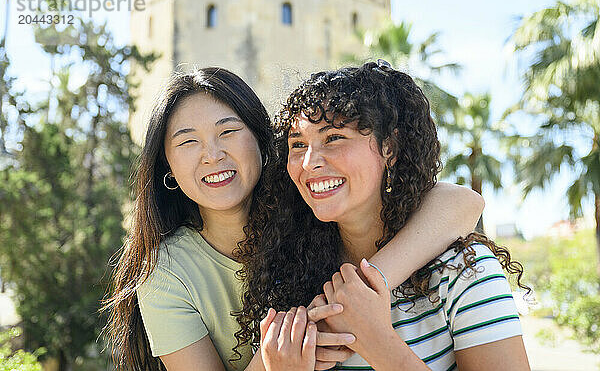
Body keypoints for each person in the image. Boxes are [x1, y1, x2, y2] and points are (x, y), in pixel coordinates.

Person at [102, 67, 485, 371]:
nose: (211, 155)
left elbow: (462, 202)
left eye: (229, 132)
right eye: (188, 142)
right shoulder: (166, 273)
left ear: (263, 139)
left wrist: (362, 291)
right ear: (166, 165)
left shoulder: (316, 203)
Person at [240, 61, 531, 371]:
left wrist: (378, 343)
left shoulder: (461, 273)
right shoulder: (290, 279)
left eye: (333, 138)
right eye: (298, 144)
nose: (309, 162)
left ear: (389, 148)